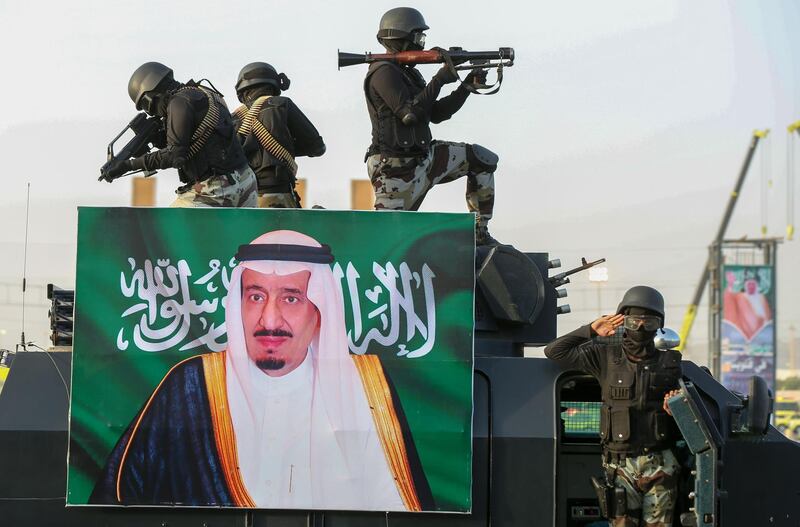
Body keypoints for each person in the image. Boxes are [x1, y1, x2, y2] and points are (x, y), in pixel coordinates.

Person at [90, 230, 431, 511]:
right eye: (255, 297)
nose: (269, 320)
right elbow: (115, 502)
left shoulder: (362, 388)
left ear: (320, 310)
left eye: (291, 298)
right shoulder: (190, 386)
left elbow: (398, 509)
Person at [544, 286, 682, 527]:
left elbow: (687, 414)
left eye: (648, 323)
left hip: (660, 461)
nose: (640, 328)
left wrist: (677, 407)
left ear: (659, 324)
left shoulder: (670, 362)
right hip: (619, 465)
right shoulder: (604, 356)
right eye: (633, 321)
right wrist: (591, 330)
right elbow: (554, 351)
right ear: (622, 321)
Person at [364, 7, 501, 245]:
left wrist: (466, 87)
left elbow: (436, 113)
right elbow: (409, 114)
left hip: (424, 159)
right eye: (417, 37)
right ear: (401, 37)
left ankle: (480, 232)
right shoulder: (382, 72)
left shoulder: (409, 74)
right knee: (389, 242)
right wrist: (440, 78)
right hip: (395, 170)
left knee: (481, 159)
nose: (422, 43)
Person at [103, 62, 257, 207]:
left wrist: (128, 165)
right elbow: (206, 138)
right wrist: (160, 139)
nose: (152, 112)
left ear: (150, 95)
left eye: (146, 106)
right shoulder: (203, 92)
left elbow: (175, 156)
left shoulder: (178, 103)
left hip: (217, 190)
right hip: (246, 181)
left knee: (161, 229)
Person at [232, 62, 326, 208]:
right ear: (274, 86)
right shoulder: (281, 104)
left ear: (242, 90)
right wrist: (287, 146)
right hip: (277, 194)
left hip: (243, 198)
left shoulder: (234, 117)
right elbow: (317, 147)